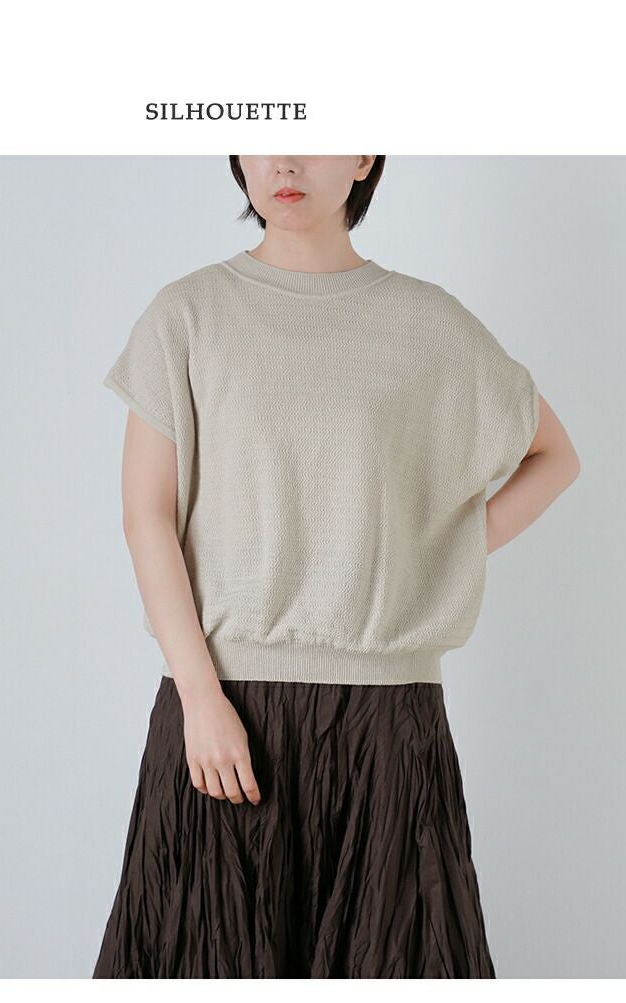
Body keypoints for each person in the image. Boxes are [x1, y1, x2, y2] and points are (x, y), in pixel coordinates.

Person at [92, 155, 580, 978]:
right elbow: (147, 518)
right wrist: (199, 698)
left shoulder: (426, 323)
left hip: (387, 727)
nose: (284, 161)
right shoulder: (188, 315)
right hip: (224, 716)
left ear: (363, 156)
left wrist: (436, 558)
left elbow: (553, 457)